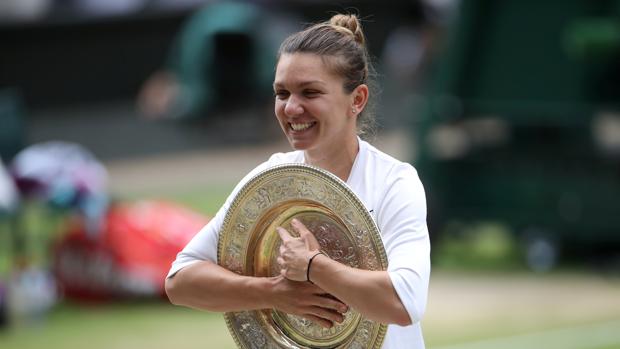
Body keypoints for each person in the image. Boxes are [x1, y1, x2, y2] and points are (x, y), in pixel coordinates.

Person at [165, 13, 431, 349]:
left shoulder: (395, 183)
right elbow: (180, 282)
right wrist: (275, 293)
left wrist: (314, 267)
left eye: (310, 92)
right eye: (281, 93)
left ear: (357, 99)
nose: (291, 108)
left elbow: (404, 303)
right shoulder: (267, 181)